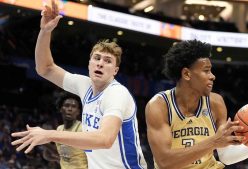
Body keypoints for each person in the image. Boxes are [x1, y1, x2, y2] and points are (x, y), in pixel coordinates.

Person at [11, 0, 147, 168]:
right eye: (96, 58)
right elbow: (45, 69)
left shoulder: (117, 93)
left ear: (115, 71)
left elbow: (104, 139)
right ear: (89, 63)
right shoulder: (85, 85)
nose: (100, 63)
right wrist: (45, 31)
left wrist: (49, 135)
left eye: (108, 61)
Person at [145, 40, 248, 169]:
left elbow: (226, 157)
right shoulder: (159, 106)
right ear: (187, 74)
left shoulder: (216, 103)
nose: (213, 76)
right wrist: (213, 142)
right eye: (206, 71)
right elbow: (165, 162)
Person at [43, 92, 88, 169]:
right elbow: (59, 153)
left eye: (74, 106)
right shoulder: (59, 129)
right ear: (61, 109)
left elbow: (69, 144)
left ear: (78, 111)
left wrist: (44, 139)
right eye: (66, 106)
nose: (69, 109)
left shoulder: (83, 128)